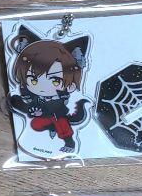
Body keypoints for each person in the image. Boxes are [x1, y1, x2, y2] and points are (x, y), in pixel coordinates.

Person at [7, 26, 91, 154]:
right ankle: (51, 127)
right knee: (35, 124)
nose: (42, 87)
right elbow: (31, 105)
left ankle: (70, 142)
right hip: (43, 116)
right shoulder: (30, 93)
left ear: (70, 85)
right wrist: (34, 111)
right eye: (33, 80)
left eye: (55, 80)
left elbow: (57, 106)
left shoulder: (60, 95)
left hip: (58, 114)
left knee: (62, 125)